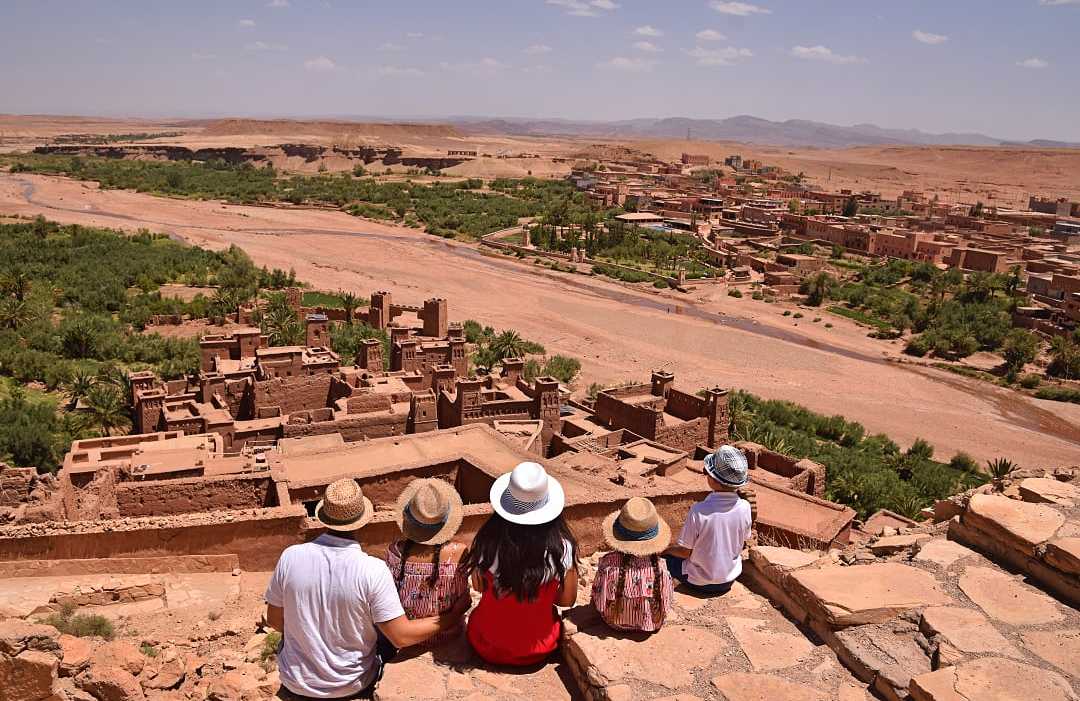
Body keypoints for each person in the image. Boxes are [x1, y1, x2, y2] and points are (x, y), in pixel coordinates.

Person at [265, 478, 469, 700]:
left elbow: (275, 621)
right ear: (363, 520)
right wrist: (453, 615)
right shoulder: (372, 570)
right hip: (352, 685)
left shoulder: (290, 557)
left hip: (296, 682)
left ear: (322, 516)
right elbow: (401, 637)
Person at [463, 461, 579, 666]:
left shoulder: (487, 542)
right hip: (538, 649)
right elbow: (566, 601)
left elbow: (479, 587)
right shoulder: (563, 548)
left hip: (485, 643)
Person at [385, 478, 469, 645]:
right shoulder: (458, 553)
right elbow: (463, 598)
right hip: (450, 635)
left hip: (411, 638)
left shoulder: (395, 552)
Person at [663, 445, 753, 595]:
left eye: (707, 472)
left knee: (664, 559)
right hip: (728, 580)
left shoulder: (699, 511)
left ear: (715, 481)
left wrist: (666, 550)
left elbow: (685, 552)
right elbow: (744, 539)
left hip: (701, 582)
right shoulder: (745, 507)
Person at [591, 497, 674, 633]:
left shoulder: (608, 563)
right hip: (652, 623)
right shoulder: (660, 566)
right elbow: (666, 601)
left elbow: (599, 599)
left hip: (614, 622)